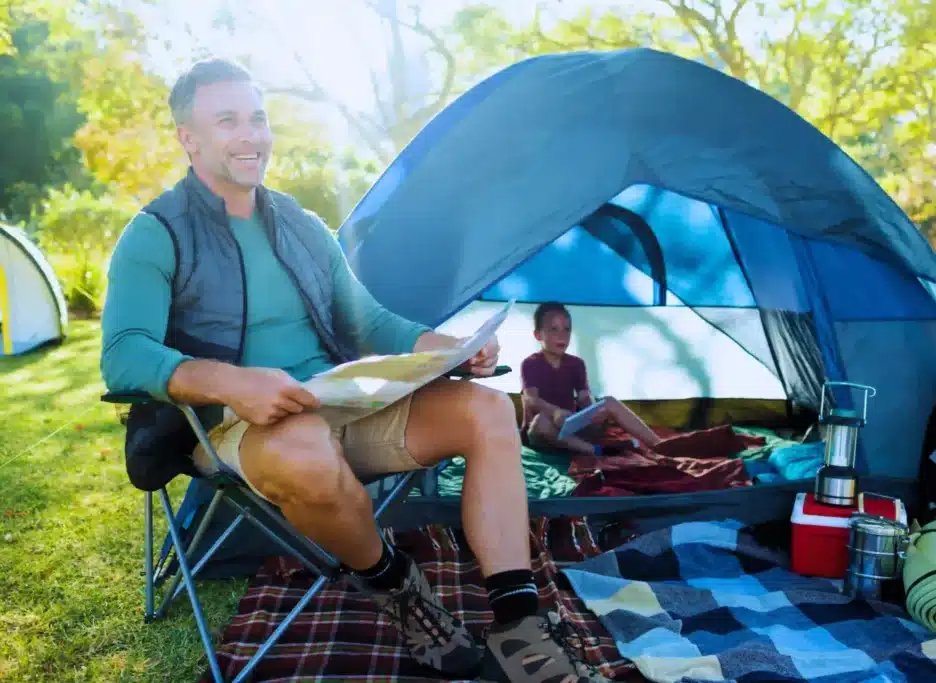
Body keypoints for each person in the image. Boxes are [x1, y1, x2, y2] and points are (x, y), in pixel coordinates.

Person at [100, 58, 609, 683]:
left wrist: (449, 347)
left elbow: (368, 322)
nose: (250, 135)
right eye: (227, 120)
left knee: (485, 409)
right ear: (189, 138)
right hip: (229, 425)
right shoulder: (155, 233)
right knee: (305, 449)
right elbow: (124, 353)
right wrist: (231, 381)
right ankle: (402, 592)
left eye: (257, 118)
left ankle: (519, 626)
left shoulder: (302, 227)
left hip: (337, 402)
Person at [521, 302, 663, 456]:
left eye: (567, 329)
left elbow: (584, 396)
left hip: (569, 428)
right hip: (543, 433)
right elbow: (531, 400)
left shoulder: (576, 363)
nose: (562, 335)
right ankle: (597, 451)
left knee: (608, 402)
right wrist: (555, 412)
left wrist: (593, 410)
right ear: (538, 335)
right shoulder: (530, 363)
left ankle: (659, 444)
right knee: (540, 423)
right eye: (554, 329)